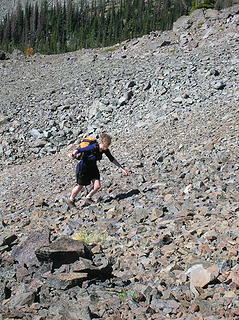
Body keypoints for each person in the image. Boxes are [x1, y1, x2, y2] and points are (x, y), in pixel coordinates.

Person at [67, 133, 129, 206]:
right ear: (102, 142)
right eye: (105, 146)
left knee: (97, 186)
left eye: (107, 146)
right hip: (83, 168)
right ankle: (71, 200)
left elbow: (112, 159)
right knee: (80, 186)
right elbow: (80, 149)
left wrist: (122, 168)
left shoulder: (105, 150)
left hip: (93, 168)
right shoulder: (93, 147)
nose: (106, 148)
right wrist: (73, 153)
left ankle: (88, 198)